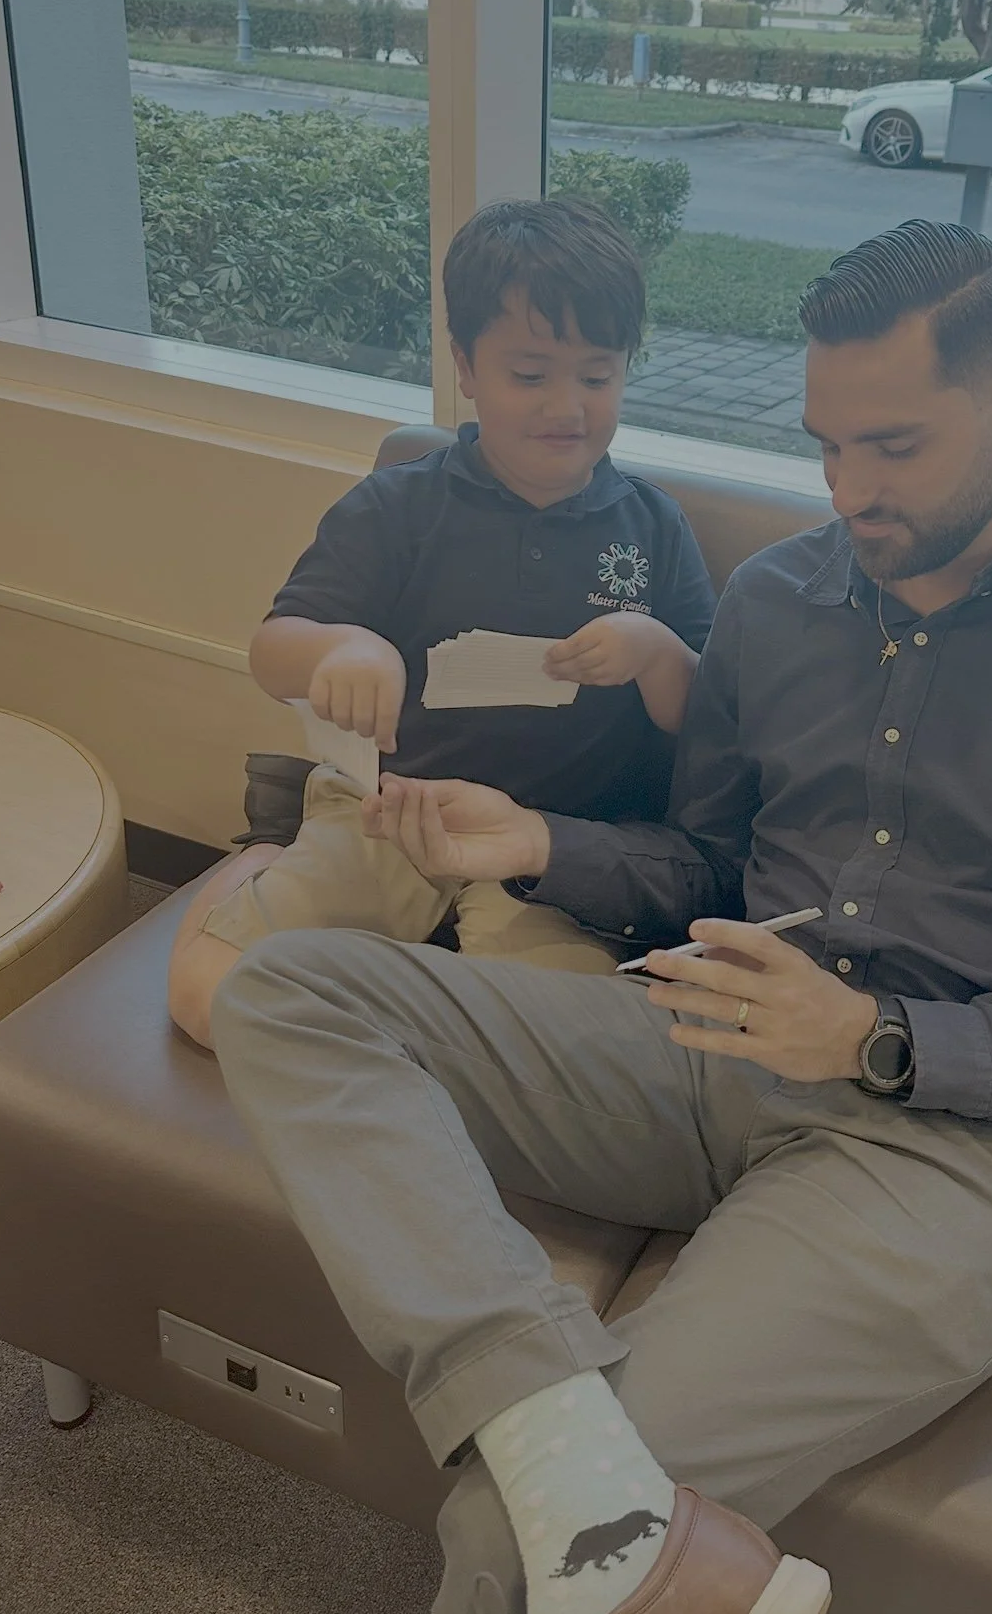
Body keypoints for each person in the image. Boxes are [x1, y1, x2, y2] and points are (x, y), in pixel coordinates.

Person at [208, 220, 992, 1614]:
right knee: (288, 987)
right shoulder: (778, 600)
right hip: (699, 1043)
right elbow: (704, 869)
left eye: (892, 449)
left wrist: (877, 1038)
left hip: (956, 1151)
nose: (851, 495)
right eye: (829, 448)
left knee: (516, 1544)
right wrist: (532, 848)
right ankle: (539, 1411)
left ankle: (549, 1485)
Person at [168, 196, 716, 1048]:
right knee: (208, 1002)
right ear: (465, 365)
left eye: (598, 377)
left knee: (570, 1064)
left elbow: (704, 721)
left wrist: (653, 651)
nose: (566, 407)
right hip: (391, 813)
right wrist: (344, 646)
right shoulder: (401, 507)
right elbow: (273, 652)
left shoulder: (653, 527)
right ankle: (260, 869)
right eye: (529, 376)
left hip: (552, 844)